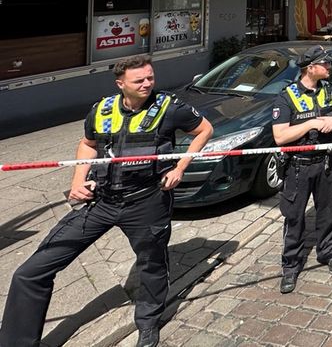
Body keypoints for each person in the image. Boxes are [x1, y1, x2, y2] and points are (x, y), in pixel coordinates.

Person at [0, 55, 213, 347]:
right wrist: (77, 181)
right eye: (139, 80)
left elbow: (205, 130)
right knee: (31, 272)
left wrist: (180, 167)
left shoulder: (170, 107)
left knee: (151, 265)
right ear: (120, 83)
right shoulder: (101, 109)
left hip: (147, 201)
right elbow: (87, 144)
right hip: (101, 201)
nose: (147, 84)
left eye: (150, 77)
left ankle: (149, 323)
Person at [272, 46, 332, 293]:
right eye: (324, 64)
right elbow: (280, 136)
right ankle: (291, 266)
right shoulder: (287, 96)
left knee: (327, 212)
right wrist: (310, 124)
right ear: (310, 68)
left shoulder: (329, 89)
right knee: (294, 217)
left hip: (326, 163)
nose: (328, 67)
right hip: (298, 167)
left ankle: (327, 252)